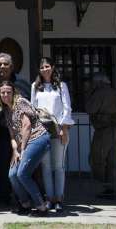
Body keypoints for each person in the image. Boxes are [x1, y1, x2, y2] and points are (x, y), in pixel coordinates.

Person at [0, 81, 50, 217]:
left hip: (37, 139)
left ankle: (41, 207)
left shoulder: (20, 102)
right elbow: (12, 136)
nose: (5, 94)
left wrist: (23, 149)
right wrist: (15, 151)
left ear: (13, 92)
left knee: (23, 174)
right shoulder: (7, 110)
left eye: (8, 92)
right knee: (12, 175)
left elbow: (26, 126)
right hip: (22, 144)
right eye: (3, 92)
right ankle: (25, 204)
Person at [31, 57, 74, 212]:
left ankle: (59, 198)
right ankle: (49, 198)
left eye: (47, 66)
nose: (45, 70)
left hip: (58, 128)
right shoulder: (35, 86)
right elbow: (33, 109)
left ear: (53, 67)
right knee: (46, 166)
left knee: (59, 166)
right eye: (42, 67)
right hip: (42, 130)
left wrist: (64, 128)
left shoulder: (61, 86)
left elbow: (66, 108)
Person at [0, 52, 30, 205]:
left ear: (12, 66)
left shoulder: (22, 83)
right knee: (1, 166)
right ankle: (3, 196)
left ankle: (21, 197)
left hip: (21, 132)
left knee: (20, 165)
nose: (2, 67)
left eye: (6, 64)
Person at [86, 73, 116, 200]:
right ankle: (113, 186)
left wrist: (90, 95)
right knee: (112, 160)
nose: (92, 84)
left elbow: (89, 109)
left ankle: (108, 184)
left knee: (96, 158)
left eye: (93, 82)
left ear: (99, 83)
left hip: (104, 131)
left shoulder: (99, 94)